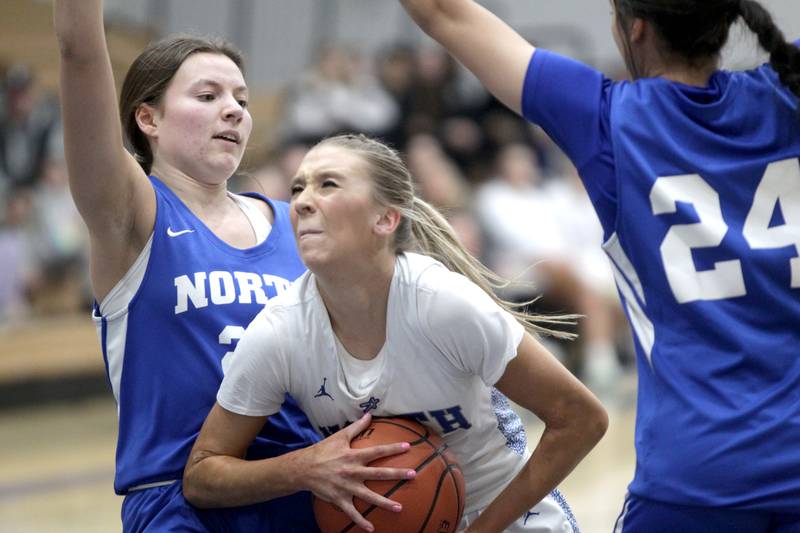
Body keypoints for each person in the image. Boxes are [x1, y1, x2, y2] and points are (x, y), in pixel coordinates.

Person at [396, 0, 800, 531]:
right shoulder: (786, 93)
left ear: (635, 30)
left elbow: (442, 12)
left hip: (697, 474)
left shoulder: (610, 116)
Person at [53, 2, 410, 531]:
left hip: (319, 489)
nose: (234, 110)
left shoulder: (300, 223)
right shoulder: (129, 216)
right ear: (147, 118)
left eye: (241, 99)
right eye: (208, 96)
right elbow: (80, 54)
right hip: (182, 503)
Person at [182, 133, 609, 533]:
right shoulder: (279, 331)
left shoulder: (443, 303)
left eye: (327, 184)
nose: (302, 203)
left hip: (506, 517)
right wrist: (301, 469)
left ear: (385, 218)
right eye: (297, 189)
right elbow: (201, 474)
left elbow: (582, 419)